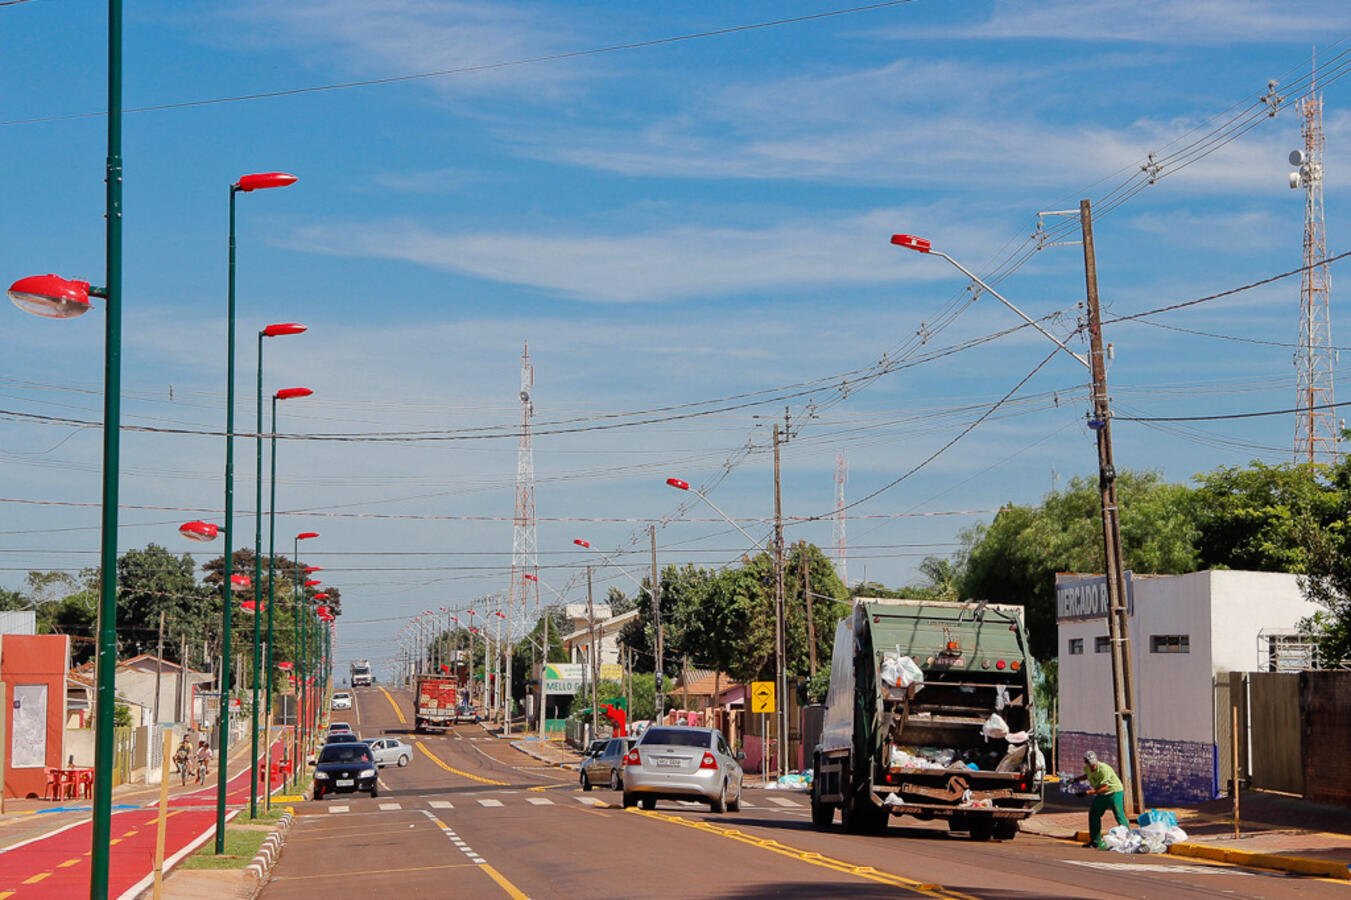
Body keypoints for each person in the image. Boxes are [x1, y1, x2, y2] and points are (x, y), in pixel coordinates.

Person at [1075, 750, 1127, 848]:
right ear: (1086, 762)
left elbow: (1105, 788)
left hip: (1114, 792)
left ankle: (1128, 838)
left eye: (1094, 765)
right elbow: (1088, 775)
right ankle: (1095, 840)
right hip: (1102, 794)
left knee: (1118, 813)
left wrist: (1087, 792)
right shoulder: (1087, 768)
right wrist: (1076, 780)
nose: (1093, 767)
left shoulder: (1104, 769)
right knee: (1094, 813)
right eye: (1090, 765)